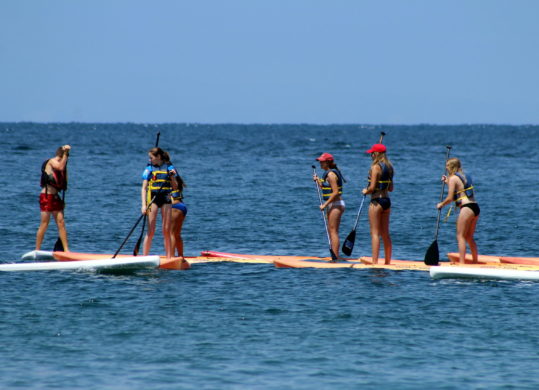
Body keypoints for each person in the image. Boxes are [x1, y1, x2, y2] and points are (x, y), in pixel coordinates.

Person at [436, 157, 480, 264]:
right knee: (469, 237)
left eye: (447, 166)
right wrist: (447, 182)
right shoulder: (464, 175)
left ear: (452, 167)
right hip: (475, 207)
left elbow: (450, 198)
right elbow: (461, 189)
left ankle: (461, 263)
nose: (445, 168)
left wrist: (441, 204)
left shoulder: (453, 179)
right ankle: (475, 261)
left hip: (466, 208)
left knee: (460, 236)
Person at [141, 147, 177, 258]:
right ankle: (145, 257)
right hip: (153, 199)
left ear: (158, 157)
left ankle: (169, 257)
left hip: (166, 198)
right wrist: (143, 205)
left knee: (166, 230)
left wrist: (171, 177)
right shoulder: (149, 169)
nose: (149, 160)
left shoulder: (169, 167)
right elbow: (144, 188)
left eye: (151, 158)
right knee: (151, 231)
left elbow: (175, 186)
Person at [362, 144, 394, 264]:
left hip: (376, 201)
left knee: (375, 233)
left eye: (372, 153)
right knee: (385, 233)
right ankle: (387, 262)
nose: (371, 155)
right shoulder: (389, 167)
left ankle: (375, 262)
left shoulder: (375, 167)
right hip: (387, 201)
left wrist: (366, 191)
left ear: (376, 154)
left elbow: (372, 187)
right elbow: (391, 188)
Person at [35, 145, 71, 251]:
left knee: (61, 223)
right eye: (63, 158)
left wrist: (61, 201)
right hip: (46, 197)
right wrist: (66, 154)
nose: (64, 161)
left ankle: (66, 250)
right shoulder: (51, 161)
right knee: (44, 223)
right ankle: (37, 249)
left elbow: (64, 181)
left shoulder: (63, 163)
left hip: (56, 197)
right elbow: (60, 167)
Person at [313, 153, 346, 259]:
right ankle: (335, 255)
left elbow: (335, 192)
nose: (320, 163)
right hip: (333, 204)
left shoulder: (331, 175)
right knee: (331, 230)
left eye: (322, 161)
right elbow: (326, 187)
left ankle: (335, 257)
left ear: (327, 162)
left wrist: (324, 204)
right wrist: (318, 181)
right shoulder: (328, 174)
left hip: (336, 204)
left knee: (333, 231)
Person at [170, 172, 187, 260]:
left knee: (171, 233)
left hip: (175, 207)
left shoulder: (173, 182)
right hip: (182, 207)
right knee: (176, 234)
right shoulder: (177, 180)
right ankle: (180, 255)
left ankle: (172, 257)